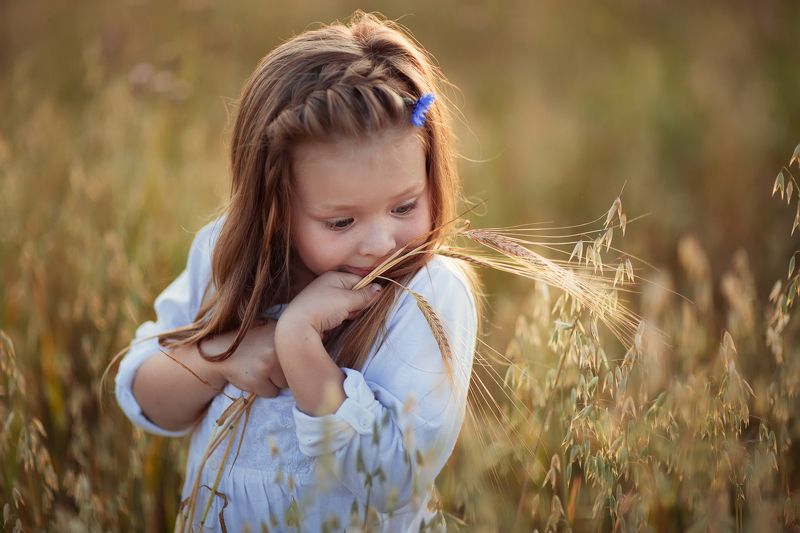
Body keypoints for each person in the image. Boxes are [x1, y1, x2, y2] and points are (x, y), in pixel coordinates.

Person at [114, 11, 478, 532]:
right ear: (274, 207)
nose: (381, 242)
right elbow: (147, 399)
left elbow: (393, 482)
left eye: (404, 206)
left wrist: (301, 343)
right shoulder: (225, 256)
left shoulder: (427, 295)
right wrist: (221, 359)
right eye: (341, 220)